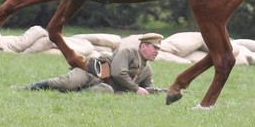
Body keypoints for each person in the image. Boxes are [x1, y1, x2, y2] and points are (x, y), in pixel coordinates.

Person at [16, 33, 164, 94]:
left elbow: (147, 88)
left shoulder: (147, 69)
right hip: (91, 73)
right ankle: (27, 88)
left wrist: (155, 92)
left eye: (158, 49)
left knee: (104, 91)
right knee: (66, 83)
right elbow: (119, 73)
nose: (157, 51)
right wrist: (136, 89)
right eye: (154, 48)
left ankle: (72, 94)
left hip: (105, 85)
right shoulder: (128, 52)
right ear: (143, 46)